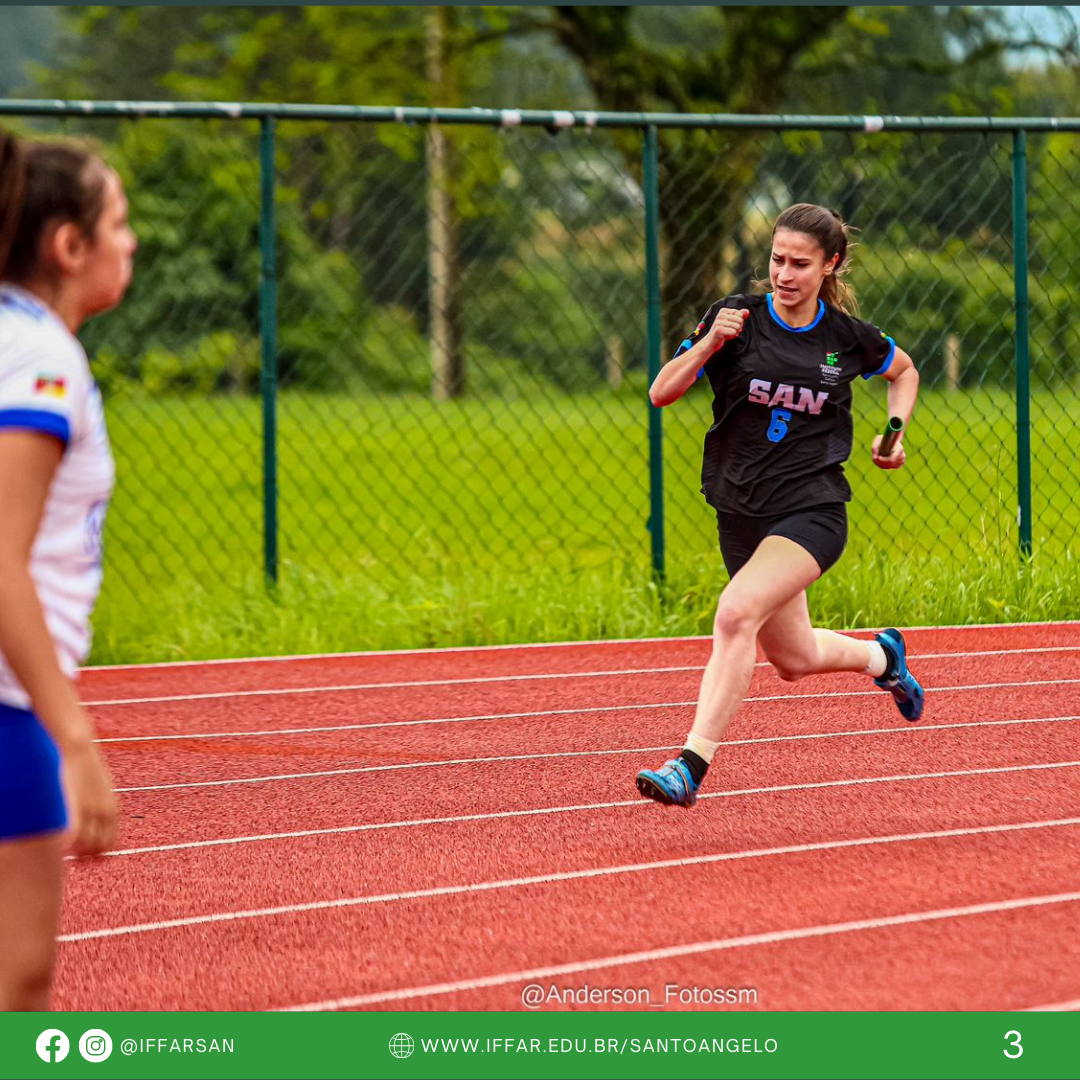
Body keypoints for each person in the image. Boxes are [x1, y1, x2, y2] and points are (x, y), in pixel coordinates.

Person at [636, 203, 923, 808]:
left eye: (800, 264)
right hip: (741, 511)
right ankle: (882, 656)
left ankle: (689, 765)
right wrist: (710, 342)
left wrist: (893, 433)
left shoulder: (845, 336)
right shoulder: (736, 318)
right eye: (777, 260)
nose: (785, 274)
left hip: (812, 509)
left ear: (830, 265)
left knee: (735, 614)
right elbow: (662, 392)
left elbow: (903, 372)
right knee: (793, 657)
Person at [0, 128, 135, 1007]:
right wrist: (74, 740)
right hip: (8, 707)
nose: (132, 241)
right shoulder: (42, 358)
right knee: (20, 982)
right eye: (118, 222)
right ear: (68, 246)